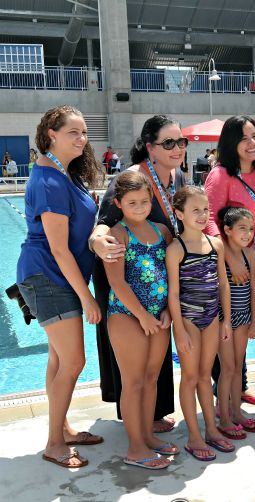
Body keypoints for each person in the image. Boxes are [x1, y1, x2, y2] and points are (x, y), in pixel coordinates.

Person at [16, 105, 103, 468]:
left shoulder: (63, 173)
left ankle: (62, 427)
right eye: (73, 132)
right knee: (74, 361)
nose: (82, 139)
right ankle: (54, 443)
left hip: (54, 276)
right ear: (51, 133)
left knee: (57, 360)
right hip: (49, 277)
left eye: (84, 132)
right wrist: (88, 299)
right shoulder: (49, 180)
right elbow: (58, 248)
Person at [90, 115, 188, 434]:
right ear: (150, 147)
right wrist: (96, 240)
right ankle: (137, 426)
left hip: (157, 279)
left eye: (181, 142)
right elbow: (104, 221)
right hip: (124, 276)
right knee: (134, 362)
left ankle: (153, 415)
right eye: (168, 143)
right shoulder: (131, 178)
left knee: (154, 360)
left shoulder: (178, 177)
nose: (177, 148)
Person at [103, 171, 176, 469]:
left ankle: (147, 435)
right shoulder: (118, 234)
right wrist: (143, 316)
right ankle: (135, 448)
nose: (140, 207)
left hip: (158, 315)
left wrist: (167, 310)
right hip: (126, 315)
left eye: (145, 201)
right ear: (119, 203)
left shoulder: (162, 231)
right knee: (132, 382)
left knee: (151, 378)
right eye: (132, 203)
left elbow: (173, 275)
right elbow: (117, 283)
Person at [204, 116, 255, 408]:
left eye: (254, 136)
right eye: (244, 138)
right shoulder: (220, 175)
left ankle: (237, 390)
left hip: (253, 259)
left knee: (240, 335)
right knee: (227, 337)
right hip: (229, 265)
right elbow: (208, 219)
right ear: (230, 143)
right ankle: (226, 401)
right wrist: (230, 258)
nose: (251, 143)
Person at [166, 186, 235, 461]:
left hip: (212, 318)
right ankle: (194, 436)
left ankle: (212, 430)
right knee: (190, 376)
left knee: (206, 376)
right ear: (179, 213)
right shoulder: (176, 249)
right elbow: (173, 293)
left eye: (205, 209)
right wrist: (179, 329)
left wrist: (227, 320)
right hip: (188, 319)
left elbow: (223, 284)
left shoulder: (215, 244)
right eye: (195, 210)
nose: (202, 214)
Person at [215, 206, 255, 440]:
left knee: (238, 364)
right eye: (242, 228)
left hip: (243, 317)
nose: (247, 234)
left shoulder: (249, 255)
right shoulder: (219, 252)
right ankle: (223, 417)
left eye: (250, 229)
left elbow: (254, 288)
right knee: (228, 367)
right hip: (224, 318)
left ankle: (236, 412)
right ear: (227, 230)